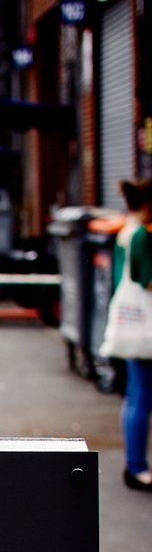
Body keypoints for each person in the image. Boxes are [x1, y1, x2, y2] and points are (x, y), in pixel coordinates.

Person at [117, 177, 152, 492]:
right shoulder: (141, 235)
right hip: (145, 329)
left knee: (136, 395)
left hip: (136, 327)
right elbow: (146, 280)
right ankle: (137, 467)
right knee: (141, 396)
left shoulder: (129, 231)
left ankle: (136, 464)